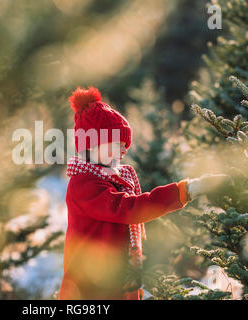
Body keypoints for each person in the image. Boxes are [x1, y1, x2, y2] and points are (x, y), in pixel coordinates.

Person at [58, 86, 232, 300]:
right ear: (91, 144)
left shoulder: (112, 179)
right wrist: (186, 190)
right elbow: (129, 209)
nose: (122, 152)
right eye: (116, 144)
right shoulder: (84, 184)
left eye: (124, 146)